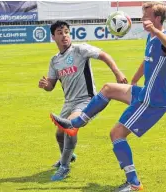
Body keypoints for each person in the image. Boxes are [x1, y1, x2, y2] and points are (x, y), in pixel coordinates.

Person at [50, 2, 166, 191]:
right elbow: (146, 61)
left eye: (146, 16)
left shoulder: (162, 38)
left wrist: (157, 32)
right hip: (145, 91)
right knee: (108, 88)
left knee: (116, 134)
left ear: (157, 19)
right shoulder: (151, 39)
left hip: (152, 100)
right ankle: (75, 124)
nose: (143, 19)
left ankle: (134, 184)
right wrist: (133, 82)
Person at [38, 20, 127, 181]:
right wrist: (45, 85)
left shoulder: (79, 49)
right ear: (53, 37)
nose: (64, 35)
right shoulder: (54, 61)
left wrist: (118, 73)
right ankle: (68, 156)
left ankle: (64, 167)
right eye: (60, 33)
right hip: (69, 103)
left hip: (86, 100)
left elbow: (104, 55)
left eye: (66, 32)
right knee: (59, 134)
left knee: (71, 127)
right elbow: (51, 85)